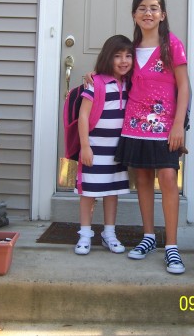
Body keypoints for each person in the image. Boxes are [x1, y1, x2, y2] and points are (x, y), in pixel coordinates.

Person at [85, 0, 190, 274]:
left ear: (163, 15)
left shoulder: (172, 46)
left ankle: (171, 246)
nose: (148, 13)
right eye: (142, 8)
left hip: (166, 126)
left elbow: (184, 87)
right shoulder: (130, 48)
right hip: (134, 125)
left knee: (168, 178)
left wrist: (179, 124)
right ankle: (147, 237)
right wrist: (93, 77)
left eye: (154, 8)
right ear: (134, 14)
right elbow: (113, 71)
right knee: (142, 178)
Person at [74, 34, 134, 256]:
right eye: (117, 56)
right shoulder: (95, 83)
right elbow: (83, 116)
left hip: (117, 150)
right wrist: (85, 146)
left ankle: (109, 233)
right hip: (94, 147)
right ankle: (85, 234)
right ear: (107, 57)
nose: (123, 61)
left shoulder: (132, 84)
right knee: (88, 192)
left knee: (112, 191)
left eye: (128, 56)